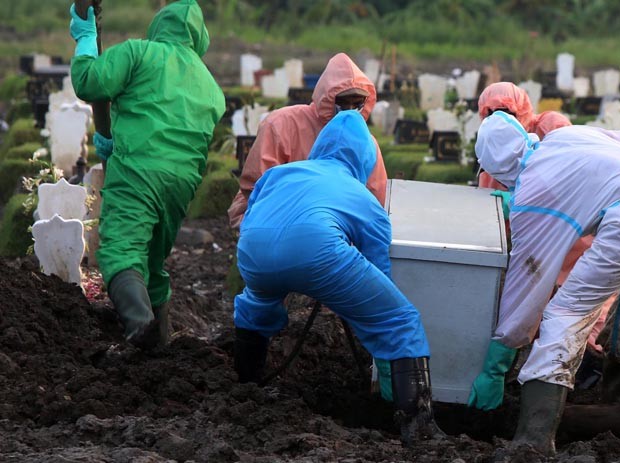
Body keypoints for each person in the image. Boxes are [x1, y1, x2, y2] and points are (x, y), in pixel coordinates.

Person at [472, 112, 620, 457]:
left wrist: (500, 356)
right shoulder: (568, 136)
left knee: (565, 313)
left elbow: (528, 280)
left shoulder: (534, 186)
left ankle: (534, 437)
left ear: (498, 170)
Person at [232, 111, 443, 446]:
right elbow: (377, 271)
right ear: (365, 158)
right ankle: (419, 428)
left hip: (253, 250)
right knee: (399, 321)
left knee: (255, 306)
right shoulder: (364, 200)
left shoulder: (281, 173)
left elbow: (255, 206)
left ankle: (244, 388)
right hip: (317, 251)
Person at [69, 0, 225, 349]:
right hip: (182, 183)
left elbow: (89, 82)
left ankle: (140, 328)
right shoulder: (211, 86)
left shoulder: (140, 53)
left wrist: (85, 39)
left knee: (122, 252)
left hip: (139, 170)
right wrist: (110, 138)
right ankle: (161, 342)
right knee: (152, 261)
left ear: (159, 26)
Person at [227, 52, 387, 229]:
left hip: (332, 227)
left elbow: (374, 200)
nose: (349, 110)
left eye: (357, 103)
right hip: (272, 216)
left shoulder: (367, 143)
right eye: (343, 102)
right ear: (327, 98)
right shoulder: (281, 124)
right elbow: (256, 186)